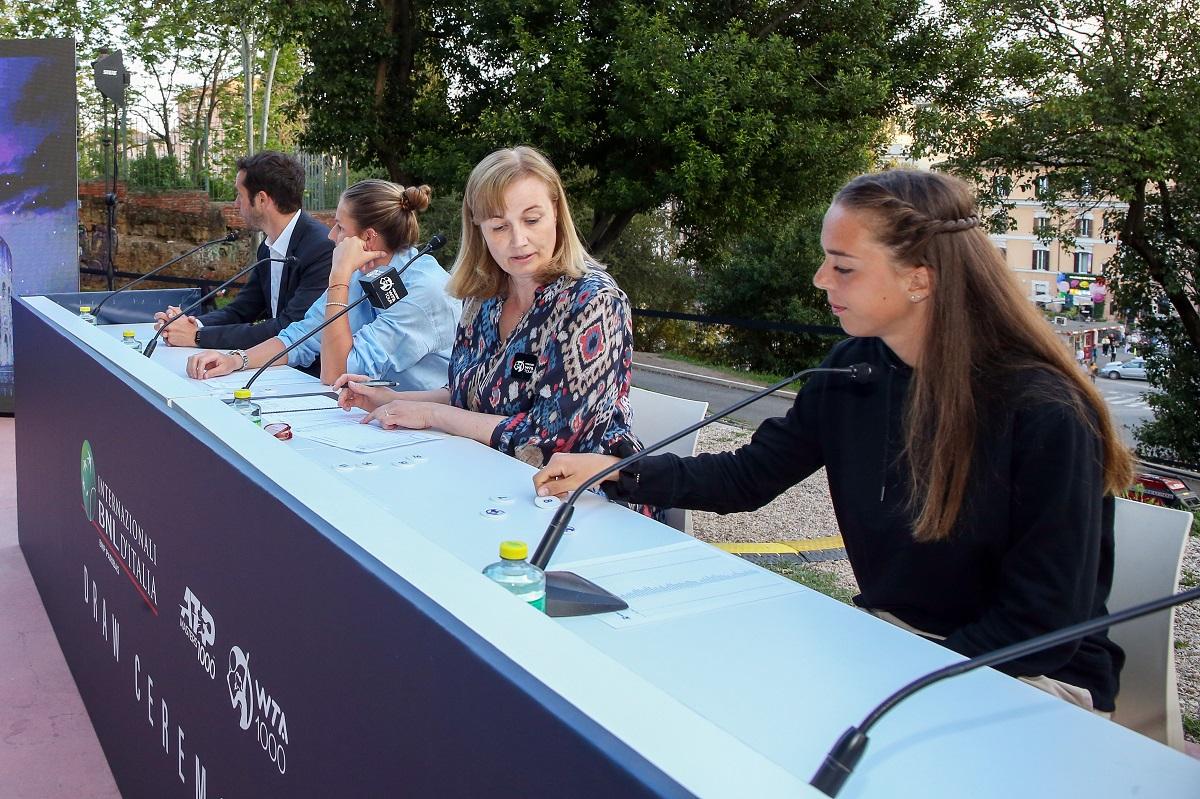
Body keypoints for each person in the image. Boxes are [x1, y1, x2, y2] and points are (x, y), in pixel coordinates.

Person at [533, 169, 1134, 714]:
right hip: (899, 646)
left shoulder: (1046, 411)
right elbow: (749, 477)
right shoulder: (854, 369)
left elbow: (1040, 623)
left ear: (920, 279)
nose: (821, 279)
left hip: (1028, 680)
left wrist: (896, 682)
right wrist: (616, 470)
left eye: (843, 267)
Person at [336, 147, 652, 512]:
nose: (518, 240)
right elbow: (467, 397)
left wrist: (432, 415)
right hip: (486, 477)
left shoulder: (593, 301)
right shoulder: (483, 296)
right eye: (500, 226)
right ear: (479, 229)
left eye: (532, 220)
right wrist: (390, 400)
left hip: (586, 500)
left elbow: (550, 444)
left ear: (556, 214)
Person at [183, 179, 459, 389]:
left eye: (340, 227)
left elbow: (337, 373)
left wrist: (338, 278)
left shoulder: (423, 291)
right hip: (380, 415)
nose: (330, 235)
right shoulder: (362, 272)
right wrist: (235, 360)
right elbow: (301, 336)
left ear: (368, 237)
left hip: (432, 431)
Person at [153, 151, 334, 351]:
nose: (236, 204)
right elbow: (242, 310)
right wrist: (191, 324)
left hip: (311, 368)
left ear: (262, 200)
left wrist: (197, 337)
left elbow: (289, 327)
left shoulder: (321, 248)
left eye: (240, 195)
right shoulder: (267, 248)